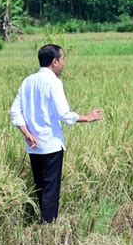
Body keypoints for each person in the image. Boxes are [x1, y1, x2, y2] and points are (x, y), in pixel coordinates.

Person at [10, 44, 103, 223]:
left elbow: (15, 111)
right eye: (62, 59)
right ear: (54, 62)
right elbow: (63, 114)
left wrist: (27, 134)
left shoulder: (28, 81)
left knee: (40, 188)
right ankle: (48, 229)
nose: (63, 63)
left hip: (33, 146)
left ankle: (41, 225)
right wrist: (87, 118)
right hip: (51, 144)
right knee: (51, 189)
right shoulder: (54, 82)